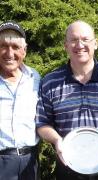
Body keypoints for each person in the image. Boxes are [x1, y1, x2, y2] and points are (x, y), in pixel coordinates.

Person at [35, 20, 98, 180]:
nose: (79, 45)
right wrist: (57, 141)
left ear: (96, 43)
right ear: (65, 45)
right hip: (68, 166)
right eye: (73, 40)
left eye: (85, 39)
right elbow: (42, 124)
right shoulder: (50, 81)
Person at [0, 21, 40, 180]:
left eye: (15, 47)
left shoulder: (35, 78)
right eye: (3, 45)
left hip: (29, 161)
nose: (9, 53)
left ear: (24, 50)